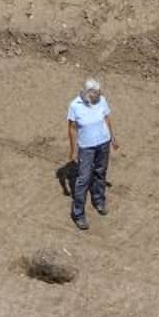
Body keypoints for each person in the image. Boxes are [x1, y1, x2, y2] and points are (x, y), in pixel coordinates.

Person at [66, 78, 118, 230]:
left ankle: (99, 200)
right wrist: (73, 150)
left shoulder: (101, 100)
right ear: (88, 92)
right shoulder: (75, 106)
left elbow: (106, 119)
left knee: (100, 173)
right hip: (87, 148)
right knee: (83, 179)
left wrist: (113, 138)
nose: (99, 94)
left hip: (103, 143)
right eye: (96, 92)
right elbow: (72, 128)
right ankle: (78, 213)